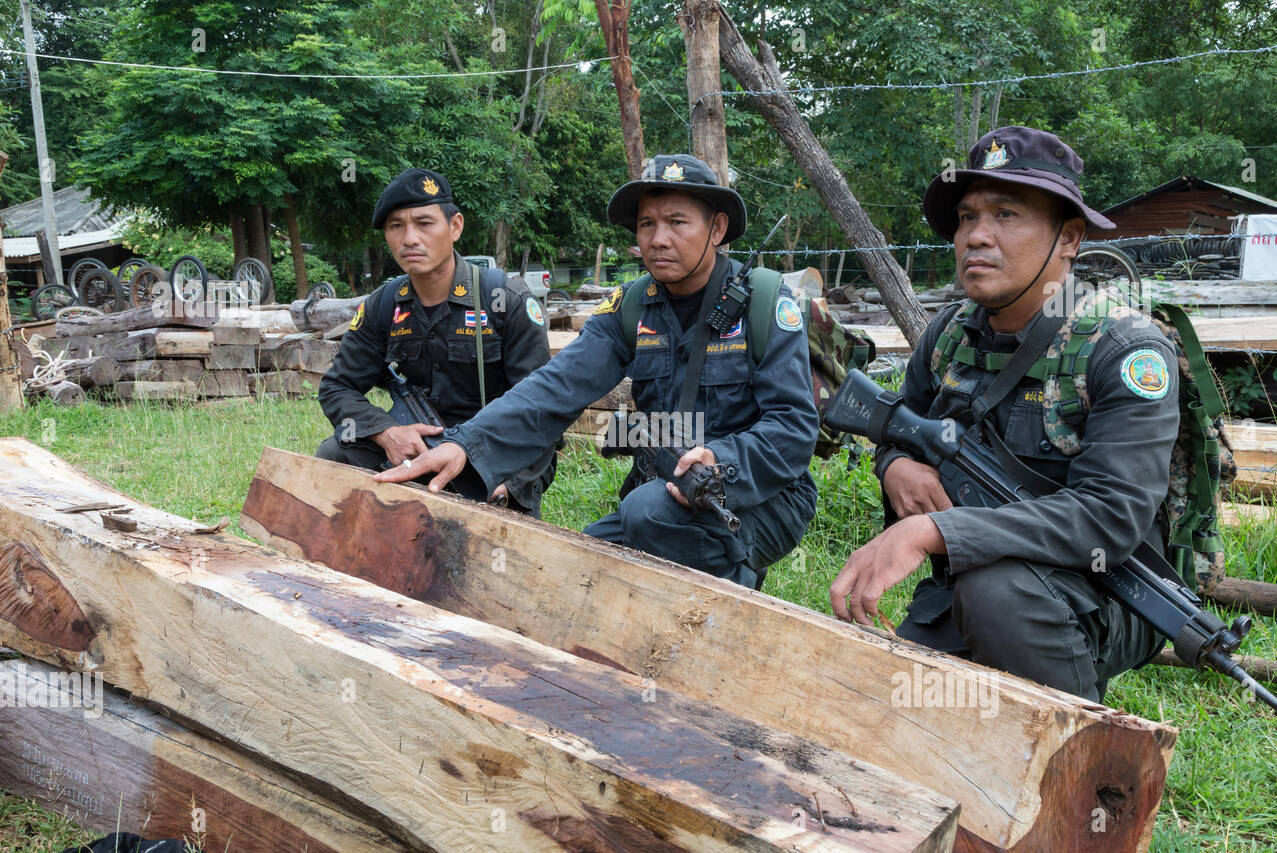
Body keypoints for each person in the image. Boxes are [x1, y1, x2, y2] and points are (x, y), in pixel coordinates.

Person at [830, 126, 1179, 702]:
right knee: (886, 706)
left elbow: (1111, 519)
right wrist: (893, 465)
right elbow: (896, 426)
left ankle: (1079, 761)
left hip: (1111, 591)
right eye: (967, 217)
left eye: (1006, 214)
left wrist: (935, 530)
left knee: (998, 594)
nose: (977, 237)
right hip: (975, 582)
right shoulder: (948, 334)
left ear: (1068, 237)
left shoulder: (1122, 350)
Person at [376, 154, 820, 589]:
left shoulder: (763, 303)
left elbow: (794, 427)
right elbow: (556, 386)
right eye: (647, 224)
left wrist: (720, 464)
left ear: (717, 228)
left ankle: (734, 595)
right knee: (578, 569)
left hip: (764, 494)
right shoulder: (632, 305)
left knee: (646, 512)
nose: (659, 239)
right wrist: (464, 446)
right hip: (667, 489)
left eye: (677, 222)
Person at [316, 168, 556, 516]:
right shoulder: (383, 306)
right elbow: (337, 387)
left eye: (425, 223)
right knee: (333, 456)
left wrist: (509, 485)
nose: (410, 238)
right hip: (417, 448)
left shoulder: (504, 299)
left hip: (495, 451)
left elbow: (542, 405)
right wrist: (387, 432)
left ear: (455, 226)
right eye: (396, 226)